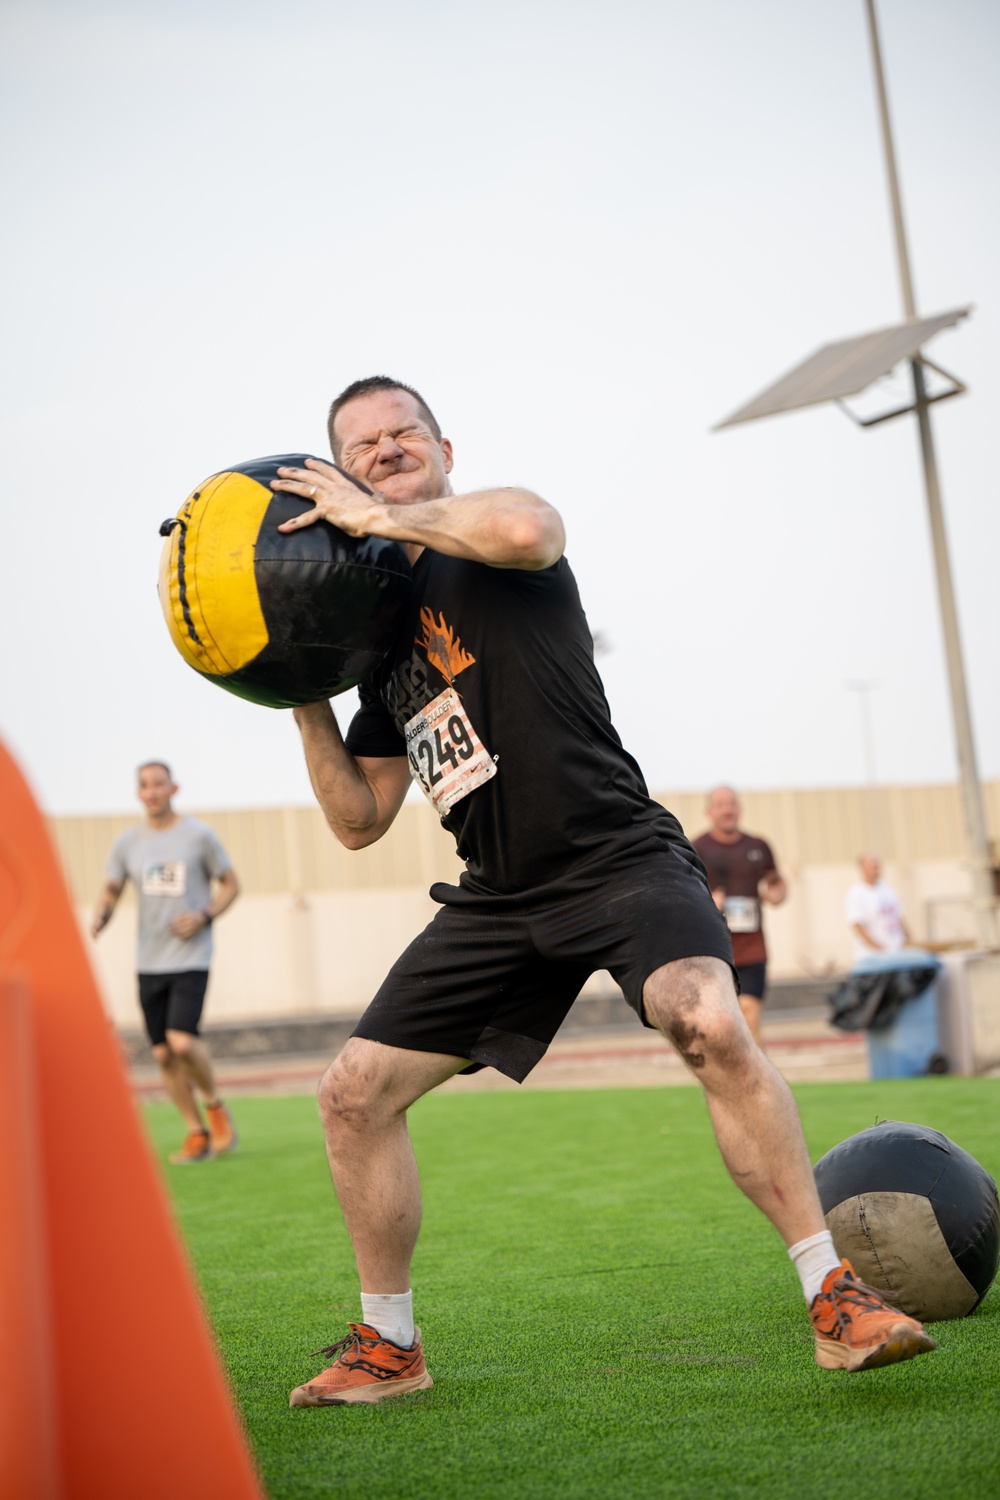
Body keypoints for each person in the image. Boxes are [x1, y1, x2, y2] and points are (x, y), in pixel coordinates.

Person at [274, 376, 935, 1405]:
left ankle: (835, 1297)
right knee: (352, 1094)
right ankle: (389, 1347)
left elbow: (533, 526)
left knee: (704, 1018)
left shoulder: (487, 542)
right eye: (360, 445)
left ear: (443, 444)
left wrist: (386, 516)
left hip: (616, 857)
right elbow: (359, 820)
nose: (385, 448)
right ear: (337, 468)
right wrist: (295, 688)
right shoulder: (381, 640)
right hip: (498, 897)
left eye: (403, 430)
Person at [91, 761, 240, 1163]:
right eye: (145, 786)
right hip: (148, 961)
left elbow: (231, 884)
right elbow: (111, 888)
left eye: (159, 784)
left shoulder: (198, 836)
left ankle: (214, 1105)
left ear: (174, 788)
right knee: (161, 1053)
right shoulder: (128, 843)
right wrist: (100, 917)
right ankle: (196, 1133)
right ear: (139, 793)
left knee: (181, 1040)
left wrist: (204, 915)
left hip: (191, 956)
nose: (152, 791)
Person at [691, 787, 786, 1046]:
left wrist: (776, 894)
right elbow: (682, 897)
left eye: (732, 804)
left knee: (750, 1012)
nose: (727, 810)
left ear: (739, 808)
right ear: (709, 812)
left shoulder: (758, 846)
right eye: (720, 805)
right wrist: (709, 901)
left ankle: (758, 1082)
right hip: (713, 949)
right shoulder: (696, 848)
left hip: (753, 948)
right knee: (718, 1022)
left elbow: (776, 882)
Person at [846, 855, 911, 962]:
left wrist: (909, 939)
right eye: (872, 866)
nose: (876, 870)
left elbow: (899, 916)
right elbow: (857, 926)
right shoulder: (857, 894)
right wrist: (879, 948)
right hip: (873, 957)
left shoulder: (887, 889)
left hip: (897, 952)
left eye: (877, 866)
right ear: (862, 868)